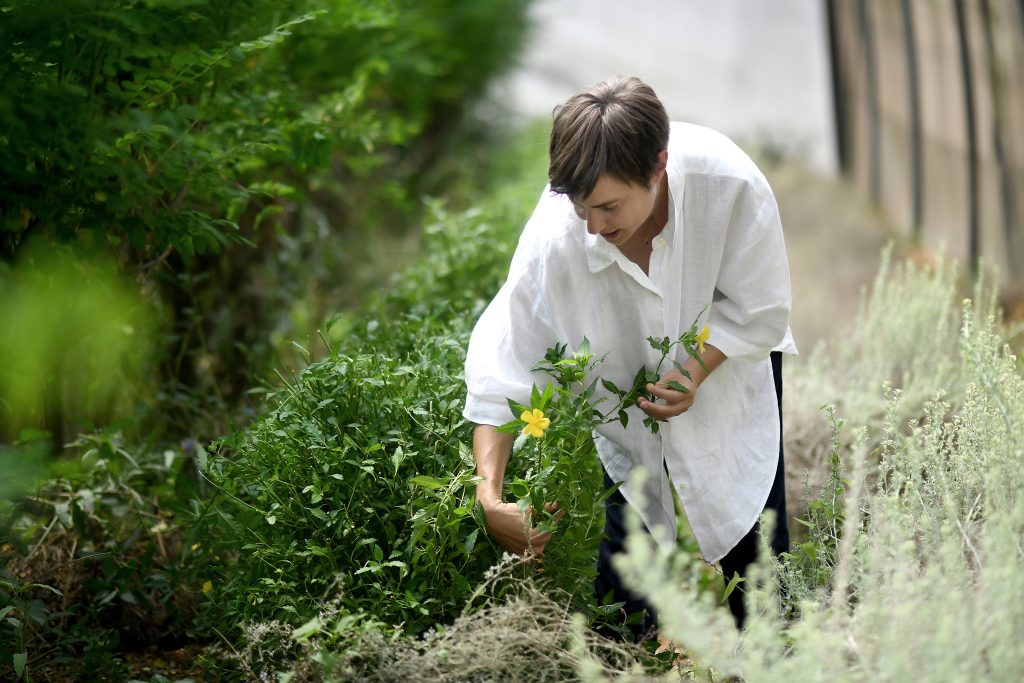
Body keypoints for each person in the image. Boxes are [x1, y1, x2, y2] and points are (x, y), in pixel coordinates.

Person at [462, 75, 796, 636]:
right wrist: (489, 496)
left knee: (760, 553)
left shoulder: (728, 184)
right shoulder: (555, 242)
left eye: (609, 206)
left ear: (659, 165)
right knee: (624, 573)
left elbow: (761, 309)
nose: (593, 226)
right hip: (623, 407)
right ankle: (620, 658)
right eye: (579, 206)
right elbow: (503, 370)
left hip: (732, 366)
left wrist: (695, 370)